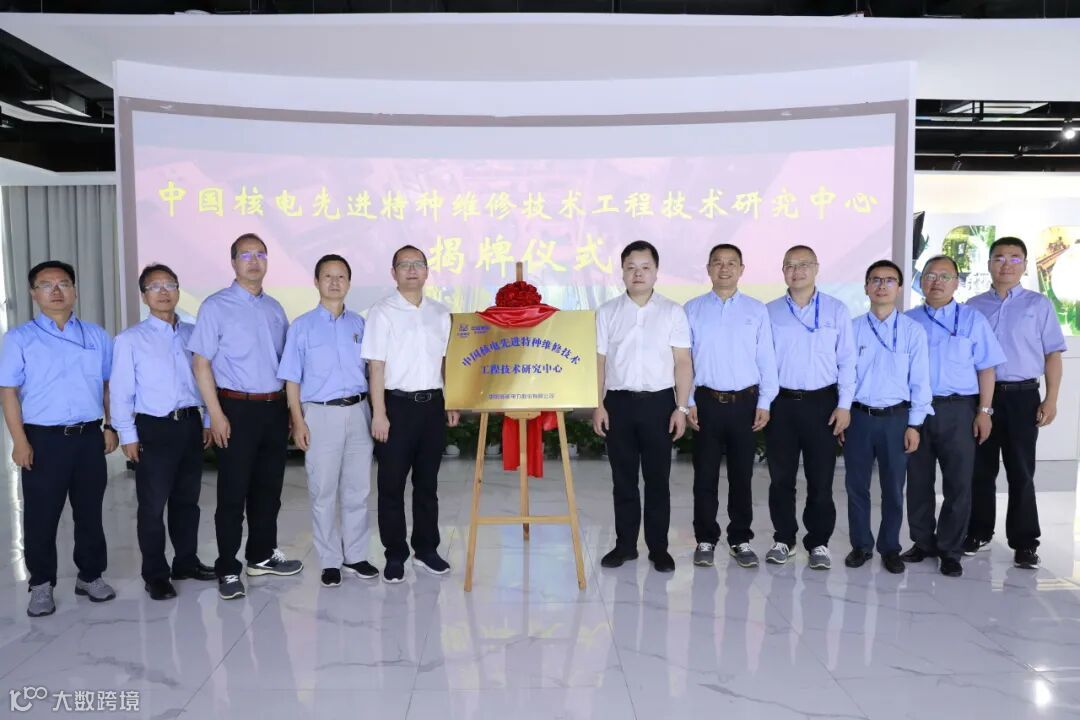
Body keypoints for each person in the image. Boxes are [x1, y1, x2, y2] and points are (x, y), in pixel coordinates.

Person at [0, 260, 118, 617]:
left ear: (75, 291)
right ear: (33, 294)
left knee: (90, 512)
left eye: (64, 283)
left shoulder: (96, 335)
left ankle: (91, 575)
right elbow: (8, 392)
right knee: (41, 516)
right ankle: (41, 585)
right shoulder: (19, 338)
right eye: (46, 285)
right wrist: (19, 441)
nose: (56, 291)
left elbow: (108, 385)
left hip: (88, 437)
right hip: (43, 440)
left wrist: (110, 426)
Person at [189, 233, 302, 601]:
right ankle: (228, 567)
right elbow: (201, 364)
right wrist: (215, 415)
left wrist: (291, 410)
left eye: (260, 255)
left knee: (269, 490)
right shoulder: (215, 306)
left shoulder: (275, 308)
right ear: (233, 262)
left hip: (273, 408)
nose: (254, 261)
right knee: (233, 493)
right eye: (246, 255)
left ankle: (261, 555)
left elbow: (286, 365)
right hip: (235, 409)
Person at [111, 264, 216, 601]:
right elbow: (121, 391)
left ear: (178, 291)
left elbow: (204, 381)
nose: (163, 292)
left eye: (169, 284)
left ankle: (186, 562)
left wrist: (206, 421)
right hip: (153, 428)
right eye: (154, 287)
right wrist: (127, 434)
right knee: (153, 506)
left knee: (187, 502)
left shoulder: (193, 335)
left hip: (189, 424)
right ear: (144, 296)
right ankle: (155, 574)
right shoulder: (130, 340)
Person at [278, 254, 379, 588]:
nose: (335, 282)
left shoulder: (360, 325)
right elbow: (291, 379)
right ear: (316, 281)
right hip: (319, 414)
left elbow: (373, 373)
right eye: (328, 276)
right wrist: (298, 421)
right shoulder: (302, 327)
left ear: (349, 282)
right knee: (323, 491)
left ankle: (356, 556)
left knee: (357, 489)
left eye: (341, 277)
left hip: (359, 410)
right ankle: (330, 561)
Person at [966, 237, 1067, 569]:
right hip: (981, 398)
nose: (1005, 264)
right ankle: (978, 531)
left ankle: (1025, 542)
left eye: (1014, 258)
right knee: (980, 469)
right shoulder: (973, 306)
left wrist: (1051, 399)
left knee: (1021, 472)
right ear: (989, 264)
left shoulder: (1038, 305)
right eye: (999, 258)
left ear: (1024, 264)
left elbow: (1052, 355)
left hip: (1023, 397)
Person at [592, 240, 692, 573]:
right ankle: (625, 545)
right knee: (623, 480)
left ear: (656, 272)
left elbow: (682, 362)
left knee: (657, 480)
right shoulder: (607, 312)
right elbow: (599, 361)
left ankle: (659, 548)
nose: (638, 273)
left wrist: (681, 408)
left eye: (645, 267)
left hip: (659, 404)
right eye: (631, 267)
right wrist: (598, 404)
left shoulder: (672, 311)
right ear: (622, 272)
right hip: (618, 403)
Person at [360, 245, 459, 584]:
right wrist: (379, 413)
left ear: (427, 271)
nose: (412, 270)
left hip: (432, 406)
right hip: (396, 407)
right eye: (405, 264)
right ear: (394, 273)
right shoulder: (381, 312)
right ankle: (395, 553)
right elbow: (376, 366)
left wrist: (451, 401)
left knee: (427, 484)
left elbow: (445, 362)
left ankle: (426, 549)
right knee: (391, 485)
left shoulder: (440, 313)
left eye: (418, 264)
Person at [904, 255, 1005, 577]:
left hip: (959, 409)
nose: (937, 282)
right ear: (921, 281)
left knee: (959, 483)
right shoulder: (907, 321)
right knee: (918, 481)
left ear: (956, 283)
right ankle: (922, 542)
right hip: (917, 410)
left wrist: (984, 411)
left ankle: (950, 548)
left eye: (944, 276)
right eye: (930, 275)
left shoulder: (972, 320)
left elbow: (987, 368)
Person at [684, 243, 778, 570]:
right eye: (717, 263)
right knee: (704, 476)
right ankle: (705, 539)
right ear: (708, 269)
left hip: (745, 403)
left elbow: (766, 359)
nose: (724, 268)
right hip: (705, 402)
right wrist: (687, 401)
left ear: (741, 269)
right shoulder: (692, 309)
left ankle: (740, 538)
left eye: (731, 263)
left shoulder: (756, 310)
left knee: (742, 476)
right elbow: (684, 361)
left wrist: (765, 401)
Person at [763, 245, 855, 570]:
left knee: (821, 479)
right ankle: (783, 539)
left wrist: (844, 406)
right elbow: (762, 362)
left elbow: (848, 361)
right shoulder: (769, 312)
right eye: (790, 265)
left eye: (804, 265)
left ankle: (818, 542)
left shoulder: (836, 310)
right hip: (782, 404)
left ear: (816, 268)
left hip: (822, 404)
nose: (797, 271)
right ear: (782, 271)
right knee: (781, 479)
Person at [843, 260, 932, 575]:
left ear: (899, 287)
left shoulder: (912, 331)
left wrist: (915, 424)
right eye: (876, 280)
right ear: (866, 287)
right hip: (859, 417)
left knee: (894, 488)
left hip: (897, 418)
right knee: (856, 486)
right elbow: (844, 377)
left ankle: (890, 547)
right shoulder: (851, 329)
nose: (882, 286)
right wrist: (843, 413)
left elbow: (920, 381)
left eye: (889, 280)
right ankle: (861, 545)